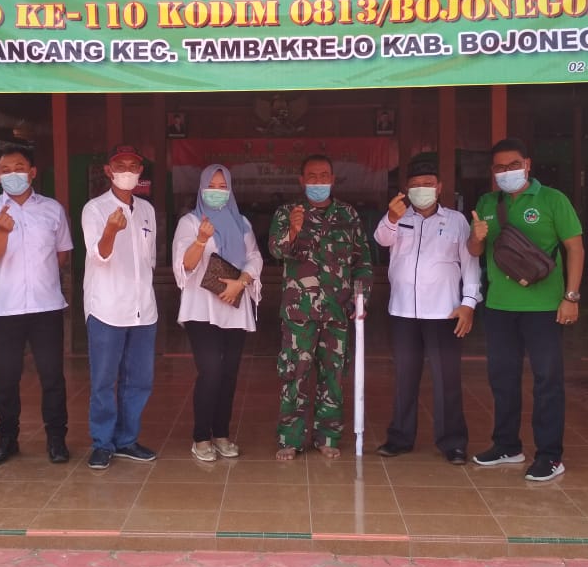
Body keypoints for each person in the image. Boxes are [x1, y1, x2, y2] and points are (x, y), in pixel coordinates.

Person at [467, 137, 584, 482]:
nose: (507, 172)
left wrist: (571, 297)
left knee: (547, 380)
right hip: (499, 305)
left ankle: (550, 455)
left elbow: (575, 249)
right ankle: (507, 445)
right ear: (492, 171)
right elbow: (475, 252)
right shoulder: (488, 202)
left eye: (513, 165)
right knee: (502, 378)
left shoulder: (552, 199)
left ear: (527, 165)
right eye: (500, 167)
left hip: (544, 307)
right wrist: (476, 236)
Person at [373, 160, 481, 465]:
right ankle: (400, 438)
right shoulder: (398, 217)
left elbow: (470, 264)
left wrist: (469, 303)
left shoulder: (457, 221)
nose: (422, 190)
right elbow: (381, 239)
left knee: (447, 379)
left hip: (444, 312)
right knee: (405, 377)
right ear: (407, 189)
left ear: (439, 187)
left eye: (428, 184)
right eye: (416, 185)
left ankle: (453, 442)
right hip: (403, 311)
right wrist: (392, 218)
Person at [268, 154, 373, 460]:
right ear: (302, 181)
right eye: (312, 176)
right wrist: (293, 231)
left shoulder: (348, 215)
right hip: (299, 312)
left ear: (333, 179)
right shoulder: (288, 212)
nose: (318, 181)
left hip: (338, 311)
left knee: (334, 375)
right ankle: (290, 437)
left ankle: (328, 435)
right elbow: (276, 250)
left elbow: (362, 261)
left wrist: (361, 299)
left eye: (324, 175)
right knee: (295, 372)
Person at [0, 144, 73, 466]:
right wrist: (3, 231)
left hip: (46, 308)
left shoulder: (52, 209)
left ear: (32, 172)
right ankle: (7, 439)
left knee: (52, 377)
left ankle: (57, 439)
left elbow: (62, 255)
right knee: (6, 379)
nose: (12, 174)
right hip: (6, 310)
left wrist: (41, 279)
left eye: (19, 168)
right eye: (5, 170)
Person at [172, 164, 263, 462]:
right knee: (211, 371)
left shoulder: (242, 222)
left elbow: (254, 256)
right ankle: (201, 437)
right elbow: (184, 264)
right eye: (211, 185)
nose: (217, 191)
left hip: (234, 305)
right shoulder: (189, 222)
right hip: (202, 309)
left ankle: (221, 434)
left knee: (229, 373)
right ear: (201, 188)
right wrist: (201, 239)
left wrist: (242, 282)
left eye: (223, 186)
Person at [82, 144, 159, 470]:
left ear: (140, 171)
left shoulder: (147, 210)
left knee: (139, 380)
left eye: (133, 166)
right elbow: (99, 255)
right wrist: (111, 230)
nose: (127, 171)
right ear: (108, 171)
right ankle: (102, 443)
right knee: (103, 381)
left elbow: (149, 259)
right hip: (107, 308)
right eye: (120, 165)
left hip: (143, 309)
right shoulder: (95, 209)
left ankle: (127, 440)